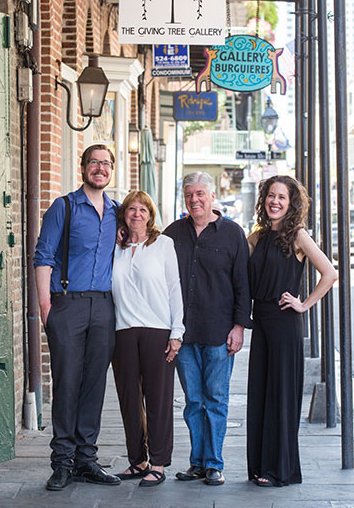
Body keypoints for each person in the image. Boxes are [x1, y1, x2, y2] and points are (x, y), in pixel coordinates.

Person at [34, 144, 121, 491]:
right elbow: (43, 256)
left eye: (105, 163)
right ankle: (62, 463)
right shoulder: (64, 207)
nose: (99, 168)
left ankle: (87, 460)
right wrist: (46, 309)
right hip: (67, 305)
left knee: (95, 384)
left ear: (111, 170)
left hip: (104, 306)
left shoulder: (117, 211)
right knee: (67, 383)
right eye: (94, 163)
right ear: (83, 167)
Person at [247, 175, 337, 488]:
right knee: (261, 393)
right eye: (271, 196)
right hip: (260, 323)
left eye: (282, 197)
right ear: (264, 200)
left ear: (291, 203)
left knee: (281, 397)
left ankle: (279, 470)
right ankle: (261, 466)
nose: (275, 202)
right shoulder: (257, 237)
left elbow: (329, 273)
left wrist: (304, 304)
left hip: (285, 323)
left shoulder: (298, 235)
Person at [164, 172, 252, 486]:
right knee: (193, 403)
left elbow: (243, 285)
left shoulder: (232, 233)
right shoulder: (172, 234)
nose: (194, 200)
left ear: (212, 196)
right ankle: (197, 463)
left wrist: (239, 327)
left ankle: (214, 463)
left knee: (216, 400)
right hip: (183, 335)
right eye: (189, 195)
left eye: (200, 193)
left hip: (219, 333)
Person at [111, 191, 184, 487]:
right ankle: (137, 461)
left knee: (158, 398)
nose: (137, 214)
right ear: (124, 214)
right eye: (131, 209)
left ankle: (158, 462)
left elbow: (174, 287)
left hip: (158, 330)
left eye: (143, 209)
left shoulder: (164, 244)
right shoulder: (114, 246)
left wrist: (177, 332)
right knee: (129, 398)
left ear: (151, 215)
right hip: (123, 330)